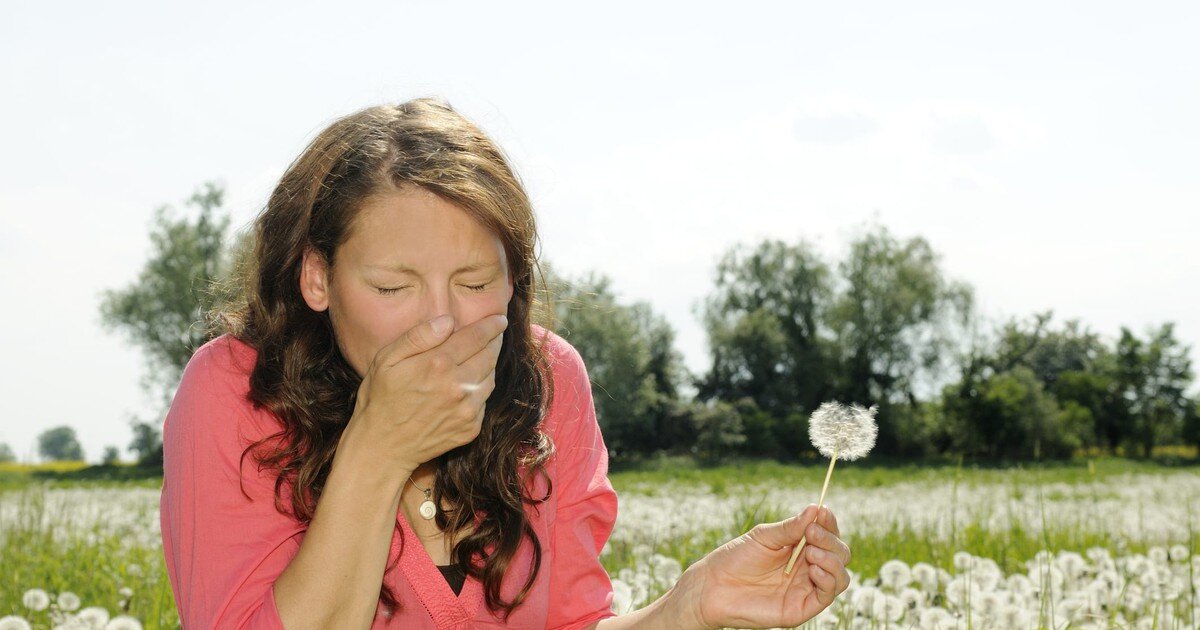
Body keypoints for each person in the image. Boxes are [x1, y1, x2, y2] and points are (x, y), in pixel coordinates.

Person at [159, 97, 852, 629]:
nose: (443, 322)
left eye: (474, 283)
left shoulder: (548, 383)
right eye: (393, 287)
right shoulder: (235, 393)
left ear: (515, 278)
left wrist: (690, 604)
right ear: (318, 278)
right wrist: (378, 453)